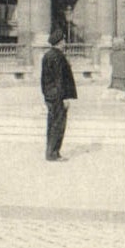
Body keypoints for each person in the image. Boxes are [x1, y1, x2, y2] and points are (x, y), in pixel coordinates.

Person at [40, 26, 77, 161]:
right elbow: (60, 79)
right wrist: (65, 97)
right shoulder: (58, 57)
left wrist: (45, 96)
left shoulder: (47, 55)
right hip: (58, 96)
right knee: (58, 124)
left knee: (51, 124)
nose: (65, 44)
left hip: (50, 95)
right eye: (64, 41)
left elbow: (44, 79)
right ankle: (54, 153)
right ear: (59, 42)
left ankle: (50, 152)